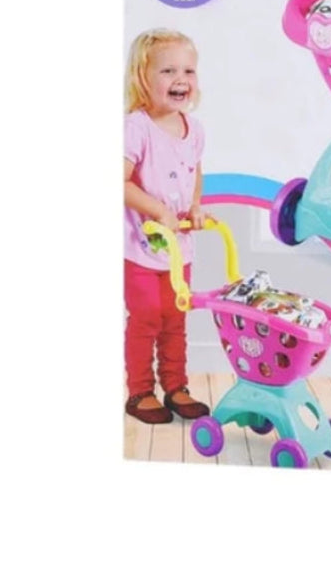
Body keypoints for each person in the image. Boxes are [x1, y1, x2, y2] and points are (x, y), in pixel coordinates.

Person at [123, 29, 211, 425]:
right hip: (141, 248)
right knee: (147, 318)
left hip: (179, 249)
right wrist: (158, 210)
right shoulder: (136, 127)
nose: (181, 79)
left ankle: (176, 386)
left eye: (188, 71)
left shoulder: (194, 128)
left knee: (176, 317)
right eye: (168, 71)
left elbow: (195, 173)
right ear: (142, 77)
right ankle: (140, 391)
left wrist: (195, 206)